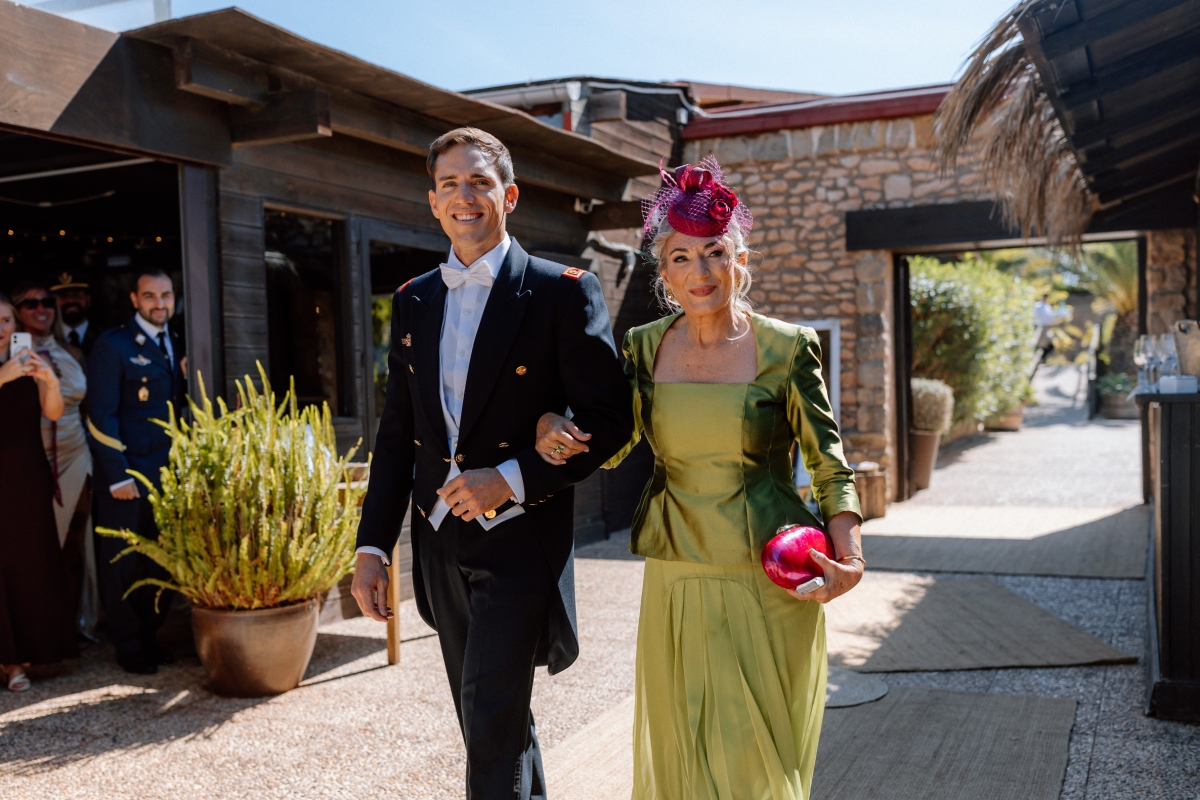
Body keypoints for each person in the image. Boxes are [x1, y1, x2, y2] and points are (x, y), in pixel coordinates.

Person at [535, 158, 864, 800]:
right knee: (686, 737)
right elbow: (611, 440)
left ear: (741, 259)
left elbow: (829, 462)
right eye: (682, 257)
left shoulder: (790, 348)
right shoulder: (643, 346)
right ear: (664, 274)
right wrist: (554, 425)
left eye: (715, 252)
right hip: (678, 570)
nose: (701, 272)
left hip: (771, 574)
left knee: (756, 753)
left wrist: (848, 556)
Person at [352, 127, 633, 799]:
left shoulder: (563, 290)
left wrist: (507, 479)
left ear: (507, 194)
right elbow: (398, 434)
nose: (464, 195)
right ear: (432, 201)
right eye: (449, 183)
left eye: (478, 181)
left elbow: (610, 419)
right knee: (493, 721)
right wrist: (372, 543)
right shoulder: (415, 297)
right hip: (439, 539)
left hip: (520, 539)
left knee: (489, 717)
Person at [87, 268, 186, 675]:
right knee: (122, 564)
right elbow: (100, 417)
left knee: (163, 564)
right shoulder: (114, 345)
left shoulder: (176, 343)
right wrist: (116, 476)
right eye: (150, 296)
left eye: (166, 295)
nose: (159, 303)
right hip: (128, 478)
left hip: (168, 479)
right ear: (134, 300)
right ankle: (129, 646)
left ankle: (150, 635)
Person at [10, 281, 100, 640]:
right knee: (35, 547)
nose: (41, 308)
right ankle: (39, 627)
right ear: (17, 312)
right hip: (31, 459)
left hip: (76, 453)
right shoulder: (9, 356)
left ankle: (75, 622)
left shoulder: (72, 353)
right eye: (30, 303)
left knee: (75, 542)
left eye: (47, 301)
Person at [0, 292, 78, 692]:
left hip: (26, 475)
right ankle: (7, 661)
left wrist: (47, 379)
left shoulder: (29, 362)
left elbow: (53, 412)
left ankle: (21, 660)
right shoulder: (8, 370)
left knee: (27, 565)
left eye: (6, 322)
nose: (1, 330)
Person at [50, 272, 99, 356]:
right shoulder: (49, 339)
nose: (70, 301)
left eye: (76, 296)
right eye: (63, 296)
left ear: (88, 300)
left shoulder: (103, 337)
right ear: (54, 302)